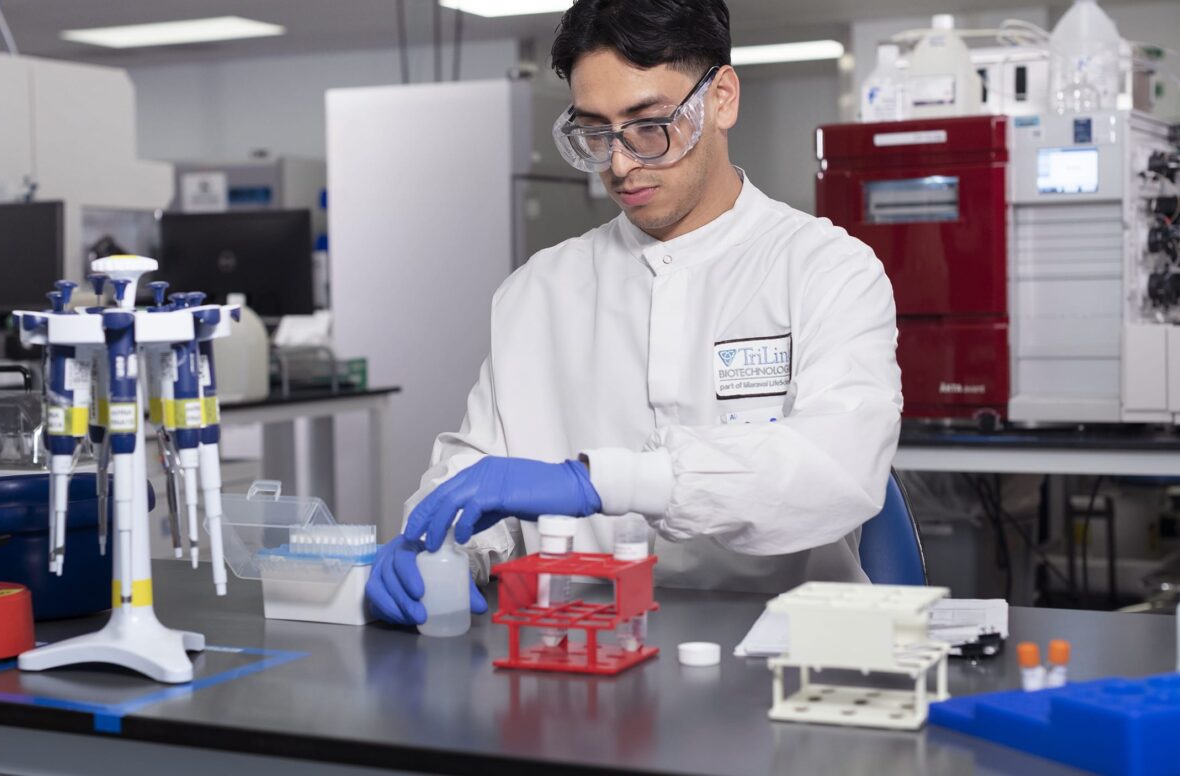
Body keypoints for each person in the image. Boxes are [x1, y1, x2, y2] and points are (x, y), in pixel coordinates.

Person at [365, 0, 902, 626]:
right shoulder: (539, 290)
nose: (620, 165)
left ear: (722, 98)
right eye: (595, 132)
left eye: (650, 126)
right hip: (578, 658)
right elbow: (473, 470)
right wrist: (435, 548)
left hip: (784, 653)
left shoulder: (823, 267)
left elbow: (837, 471)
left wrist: (600, 481)